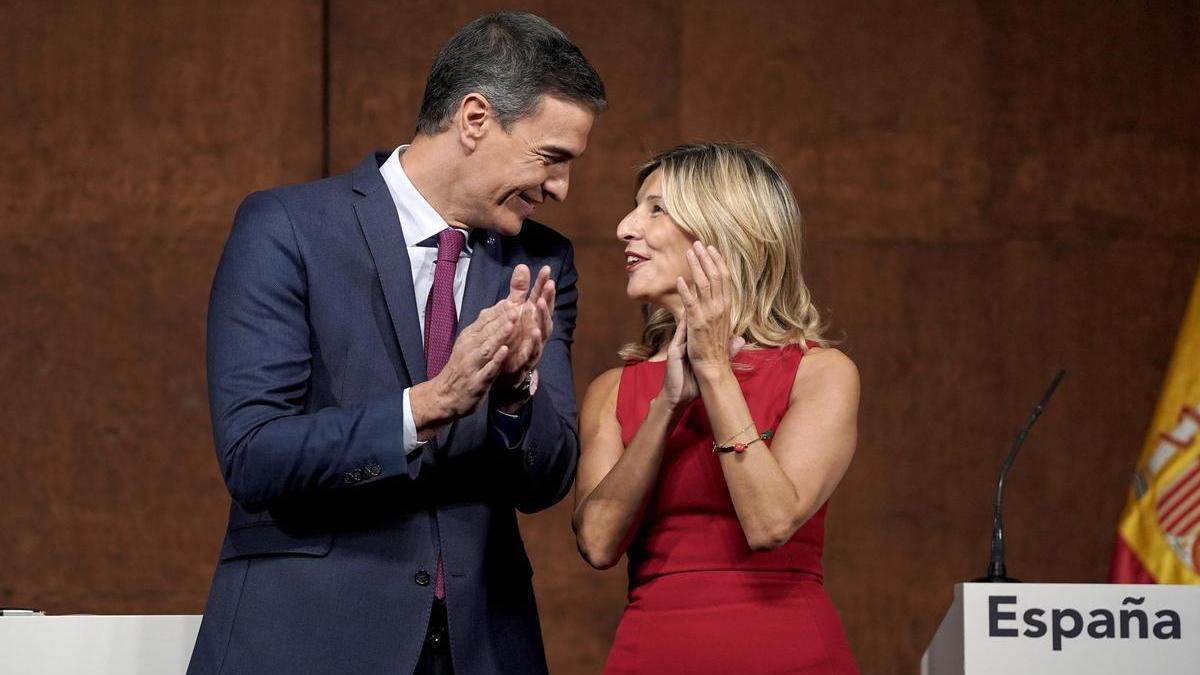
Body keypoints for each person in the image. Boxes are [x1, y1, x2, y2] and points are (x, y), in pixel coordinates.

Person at [189, 12, 605, 674]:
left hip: (482, 648)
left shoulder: (543, 261)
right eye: (551, 157)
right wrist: (429, 402)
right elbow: (254, 455)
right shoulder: (286, 228)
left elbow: (547, 479)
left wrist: (515, 396)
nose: (560, 188)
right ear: (474, 119)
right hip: (307, 639)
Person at [573, 143, 860, 673]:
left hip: (789, 654)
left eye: (655, 208)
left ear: (723, 231)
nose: (624, 227)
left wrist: (714, 371)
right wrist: (665, 406)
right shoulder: (614, 389)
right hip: (652, 654)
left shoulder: (820, 373)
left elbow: (770, 522)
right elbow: (595, 542)